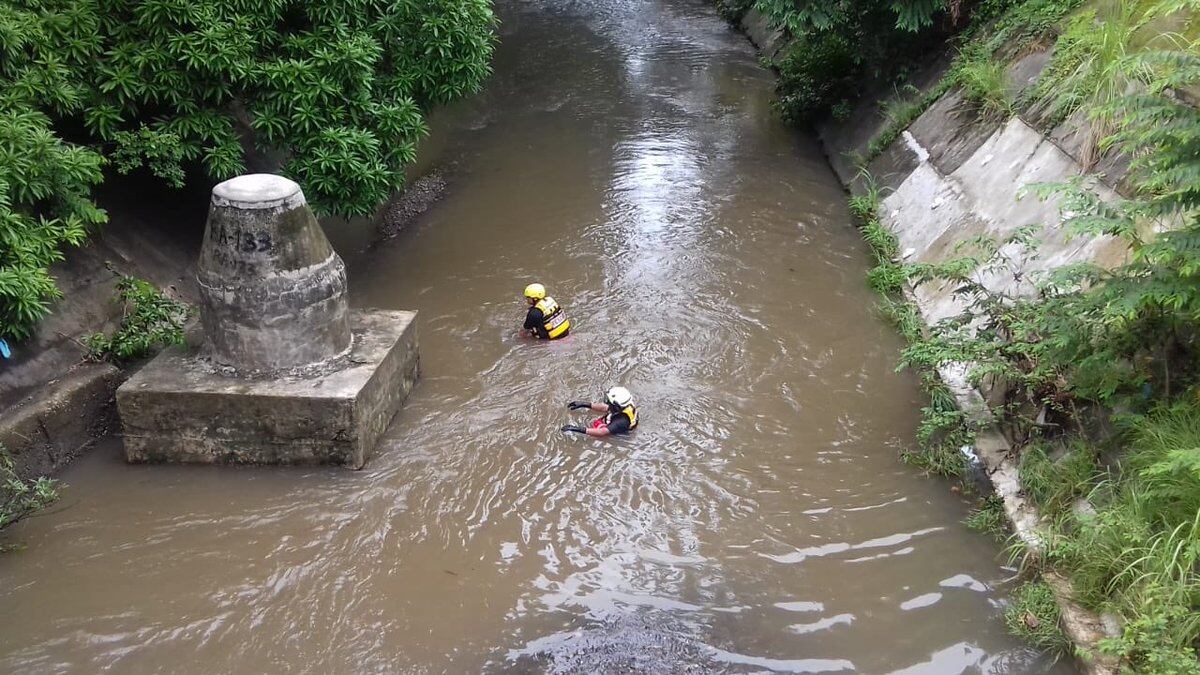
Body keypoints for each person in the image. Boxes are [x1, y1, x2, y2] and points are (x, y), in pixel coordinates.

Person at [562, 386, 638, 437]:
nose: (606, 402)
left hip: (621, 432)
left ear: (616, 406)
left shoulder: (621, 421)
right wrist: (584, 404)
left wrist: (577, 429)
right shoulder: (623, 406)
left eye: (609, 401)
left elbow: (602, 432)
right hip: (618, 419)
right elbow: (605, 408)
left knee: (596, 430)